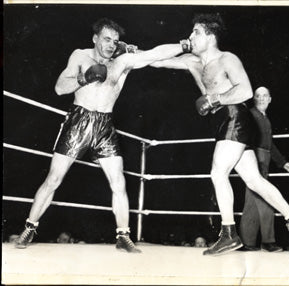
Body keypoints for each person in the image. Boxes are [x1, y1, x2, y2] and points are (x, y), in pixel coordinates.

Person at [15, 18, 188, 252]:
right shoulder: (80, 56)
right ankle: (29, 227)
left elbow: (155, 54)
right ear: (95, 38)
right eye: (106, 39)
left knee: (118, 181)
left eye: (115, 41)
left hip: (105, 124)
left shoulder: (122, 61)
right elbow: (59, 88)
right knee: (54, 179)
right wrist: (83, 78)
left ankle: (123, 236)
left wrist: (185, 45)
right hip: (78, 121)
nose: (110, 45)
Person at [151, 13, 289, 259]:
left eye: (196, 32)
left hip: (235, 116)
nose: (191, 36)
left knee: (218, 173)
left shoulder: (227, 59)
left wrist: (214, 98)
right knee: (253, 180)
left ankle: (229, 234)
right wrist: (131, 52)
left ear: (210, 36)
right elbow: (156, 61)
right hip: (223, 122)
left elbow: (246, 90)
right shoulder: (193, 62)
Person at [240, 87, 289, 252]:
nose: (262, 98)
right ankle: (267, 241)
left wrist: (282, 162)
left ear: (270, 99)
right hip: (255, 157)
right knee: (265, 198)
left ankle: (248, 242)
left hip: (261, 158)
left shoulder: (264, 118)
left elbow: (269, 143)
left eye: (265, 96)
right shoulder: (251, 115)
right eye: (258, 96)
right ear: (254, 98)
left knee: (252, 200)